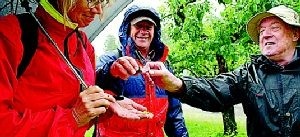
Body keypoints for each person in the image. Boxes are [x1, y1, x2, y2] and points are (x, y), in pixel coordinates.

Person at [143, 5, 300, 137]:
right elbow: (216, 89)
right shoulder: (250, 73)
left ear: (295, 34)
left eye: (274, 28)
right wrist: (177, 84)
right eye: (261, 31)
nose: (265, 35)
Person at [0, 0, 151, 136]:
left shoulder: (84, 44)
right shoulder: (10, 34)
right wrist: (72, 119)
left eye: (103, 2)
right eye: (91, 1)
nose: (98, 10)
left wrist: (106, 104)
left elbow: (82, 109)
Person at [96, 5, 189, 137]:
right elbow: (91, 81)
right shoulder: (111, 59)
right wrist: (112, 71)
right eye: (138, 26)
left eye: (148, 27)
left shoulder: (164, 67)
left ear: (155, 32)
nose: (143, 31)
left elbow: (174, 116)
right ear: (128, 29)